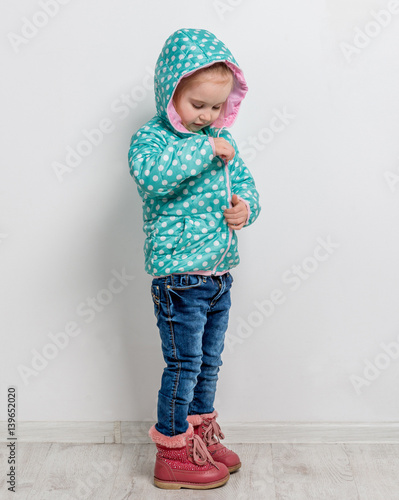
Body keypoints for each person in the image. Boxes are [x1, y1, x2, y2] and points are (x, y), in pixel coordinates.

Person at [128, 28, 261, 490]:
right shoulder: (154, 140)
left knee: (208, 362)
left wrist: (245, 209)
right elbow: (151, 178)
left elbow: (245, 187)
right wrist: (203, 149)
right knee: (183, 363)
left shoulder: (224, 141)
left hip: (218, 272)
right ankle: (172, 450)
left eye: (216, 107)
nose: (207, 116)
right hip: (178, 276)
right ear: (171, 94)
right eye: (196, 105)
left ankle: (200, 435)